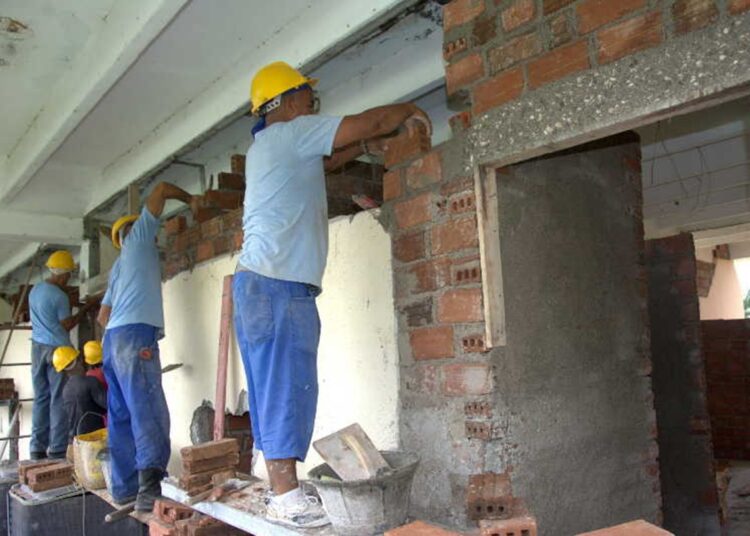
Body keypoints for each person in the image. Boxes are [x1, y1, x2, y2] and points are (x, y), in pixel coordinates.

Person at [235, 61, 431, 528]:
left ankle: (280, 490)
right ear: (284, 101)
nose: (311, 102)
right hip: (280, 286)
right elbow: (373, 121)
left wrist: (364, 146)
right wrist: (409, 110)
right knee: (289, 387)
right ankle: (287, 498)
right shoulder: (293, 131)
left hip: (257, 285)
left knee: (271, 388)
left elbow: (327, 160)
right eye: (305, 94)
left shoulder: (270, 146)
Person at [96, 181, 196, 511]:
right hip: (135, 335)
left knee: (121, 414)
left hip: (112, 341)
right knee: (147, 409)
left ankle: (125, 489)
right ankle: (150, 489)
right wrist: (190, 198)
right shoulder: (139, 242)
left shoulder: (118, 269)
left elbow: (101, 316)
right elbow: (163, 188)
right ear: (135, 230)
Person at [28, 250, 99, 460]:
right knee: (58, 398)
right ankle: (58, 448)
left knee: (41, 398)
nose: (68, 279)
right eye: (68, 275)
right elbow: (66, 325)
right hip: (57, 352)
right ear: (62, 274)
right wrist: (86, 309)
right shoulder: (58, 296)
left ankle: (36, 448)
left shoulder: (35, 291)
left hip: (37, 348)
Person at [53, 346, 107, 445]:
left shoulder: (66, 390)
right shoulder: (91, 382)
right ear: (78, 361)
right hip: (96, 437)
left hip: (76, 439)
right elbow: (109, 405)